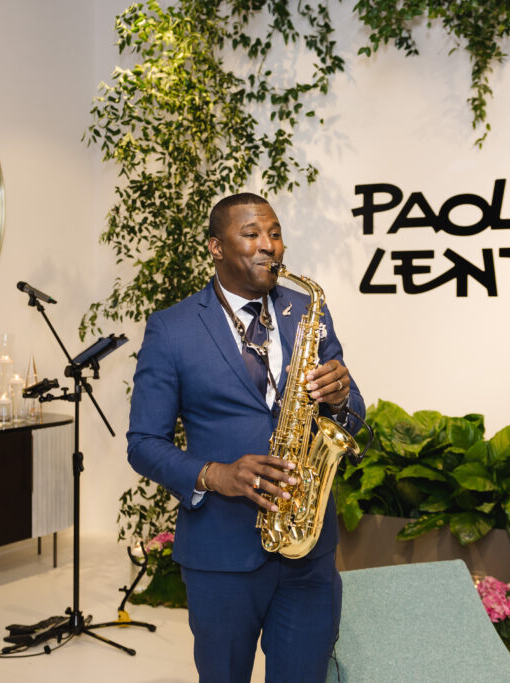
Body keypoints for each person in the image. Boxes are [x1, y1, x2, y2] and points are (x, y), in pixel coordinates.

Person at [127, 192, 365, 682]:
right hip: (221, 552)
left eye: (275, 233)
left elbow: (353, 414)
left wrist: (341, 398)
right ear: (216, 247)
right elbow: (143, 442)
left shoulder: (307, 311)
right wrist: (214, 475)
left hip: (308, 551)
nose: (268, 246)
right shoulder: (171, 329)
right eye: (252, 234)